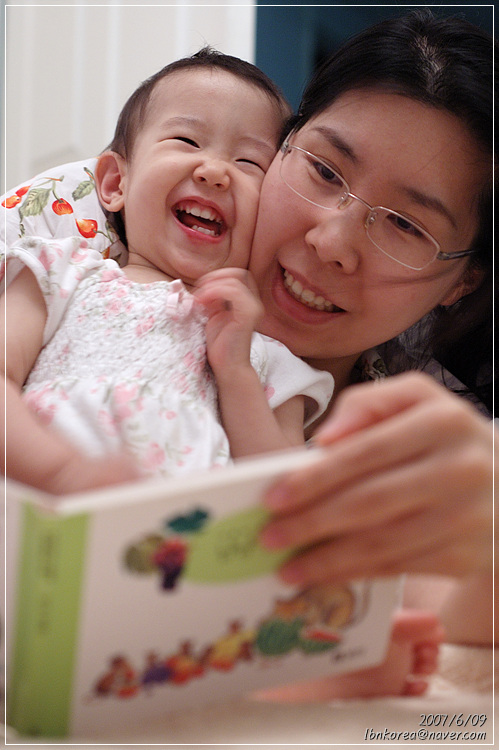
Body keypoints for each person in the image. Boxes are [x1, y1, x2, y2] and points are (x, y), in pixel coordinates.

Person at [244, 8, 494, 698]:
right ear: (281, 145)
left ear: (462, 282)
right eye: (324, 170)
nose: (333, 243)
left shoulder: (415, 446)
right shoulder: (101, 279)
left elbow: (456, 628)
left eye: (405, 225)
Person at [1, 48, 334, 494]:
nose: (215, 172)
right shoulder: (60, 274)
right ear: (116, 183)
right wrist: (59, 473)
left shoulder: (263, 356)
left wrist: (235, 373)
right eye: (188, 141)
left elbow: (285, 493)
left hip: (181, 536)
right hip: (36, 512)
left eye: (249, 163)